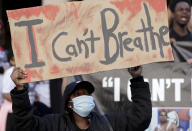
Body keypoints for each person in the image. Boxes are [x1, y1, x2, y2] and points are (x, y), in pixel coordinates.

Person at [10, 66, 152, 131]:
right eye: (78, 94)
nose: (84, 97)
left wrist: (137, 79)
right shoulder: (55, 124)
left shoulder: (107, 123)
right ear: (69, 104)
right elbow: (26, 125)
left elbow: (141, 118)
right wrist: (20, 89)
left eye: (87, 93)